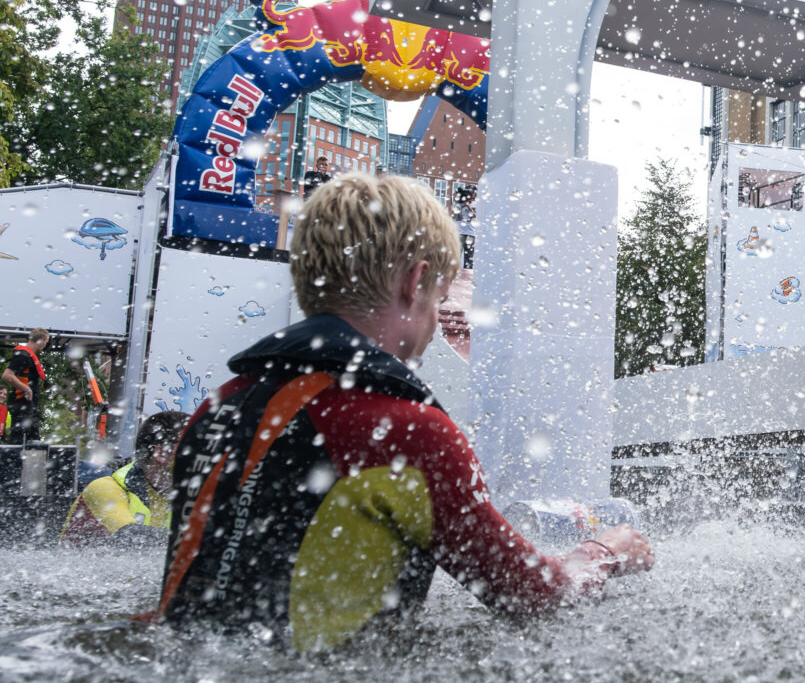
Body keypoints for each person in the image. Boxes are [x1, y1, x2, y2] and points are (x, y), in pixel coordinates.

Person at [149, 174, 653, 652]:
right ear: (416, 282)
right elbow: (534, 595)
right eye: (439, 299)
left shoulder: (219, 407)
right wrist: (605, 552)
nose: (436, 321)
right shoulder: (406, 430)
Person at [59, 412, 185, 547]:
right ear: (160, 453)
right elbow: (128, 537)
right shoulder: (104, 488)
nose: (203, 454)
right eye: (194, 446)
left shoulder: (190, 495)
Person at [0, 328, 48, 442]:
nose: (45, 345)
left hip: (28, 405)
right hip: (21, 403)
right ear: (41, 340)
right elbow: (7, 375)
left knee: (32, 439)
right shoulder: (23, 355)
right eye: (46, 342)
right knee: (20, 439)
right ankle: (14, 458)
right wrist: (26, 389)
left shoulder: (28, 355)